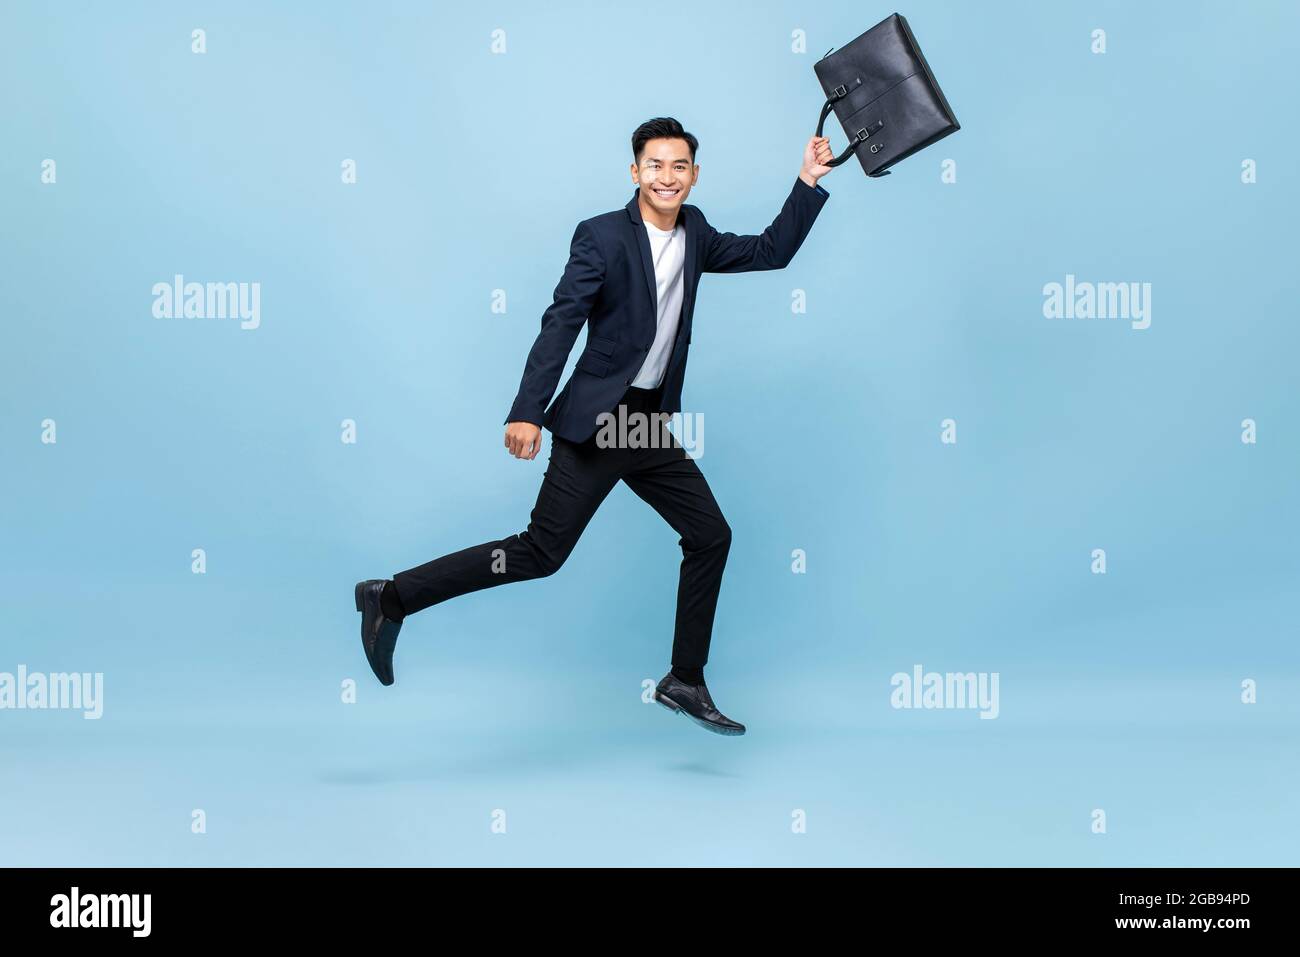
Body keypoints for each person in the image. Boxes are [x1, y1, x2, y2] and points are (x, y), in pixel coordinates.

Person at [356, 117, 834, 735]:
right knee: (540, 553)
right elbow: (563, 321)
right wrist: (528, 409)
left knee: (711, 535)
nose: (667, 176)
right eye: (655, 165)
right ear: (635, 172)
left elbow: (772, 252)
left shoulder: (697, 232)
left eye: (679, 166)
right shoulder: (602, 237)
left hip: (647, 426)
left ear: (694, 176)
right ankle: (390, 597)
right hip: (598, 422)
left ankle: (683, 680)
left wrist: (807, 179)